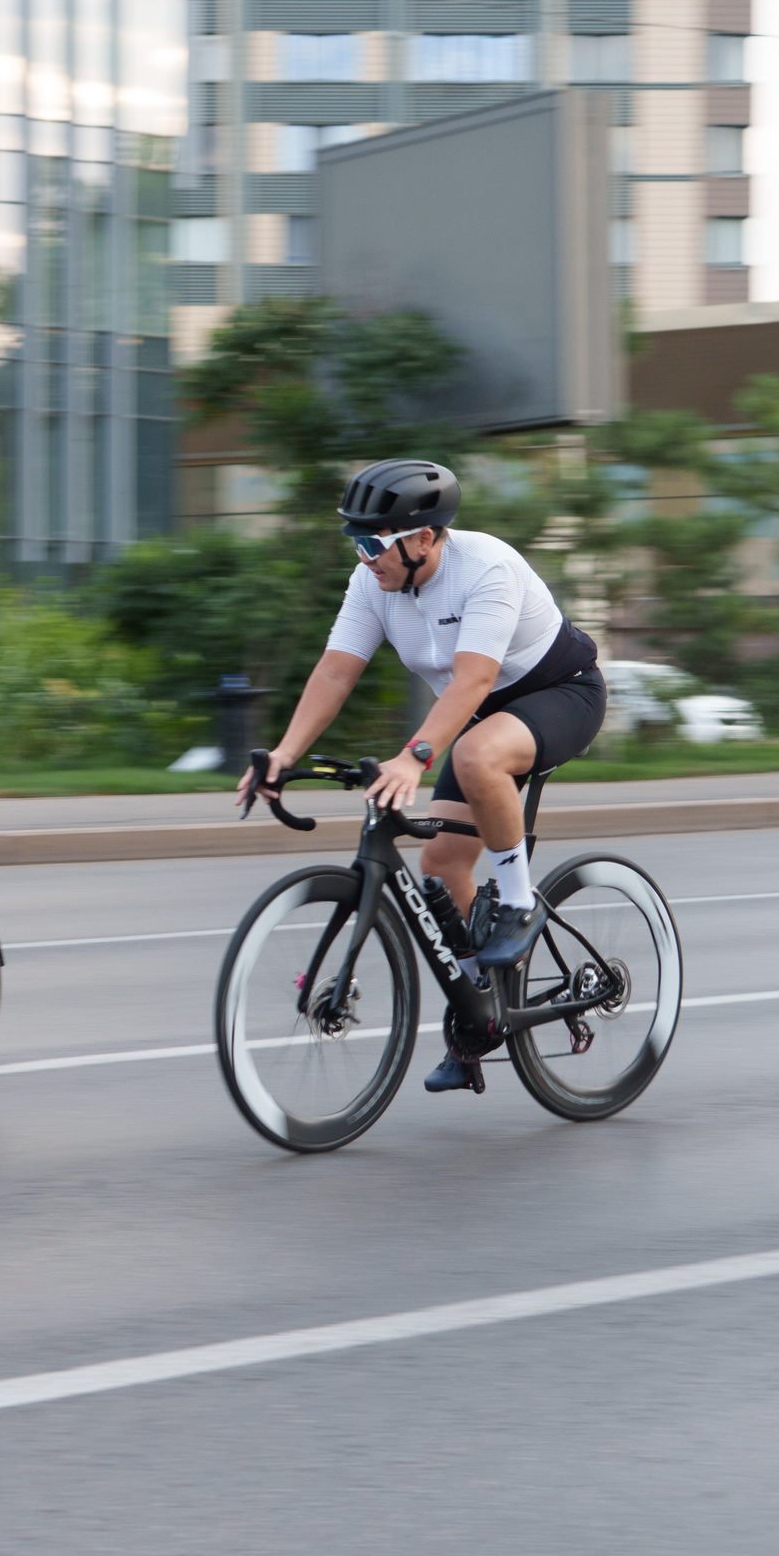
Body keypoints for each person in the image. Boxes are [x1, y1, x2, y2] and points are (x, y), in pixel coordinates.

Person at [241, 458, 607, 1094]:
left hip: (559, 695)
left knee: (472, 755)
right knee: (440, 864)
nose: (363, 557)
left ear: (424, 539)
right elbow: (334, 671)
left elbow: (474, 680)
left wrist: (414, 755)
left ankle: (519, 902)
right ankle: (481, 1013)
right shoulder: (374, 584)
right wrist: (283, 753)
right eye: (354, 541)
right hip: (476, 714)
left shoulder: (486, 566)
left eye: (373, 543)